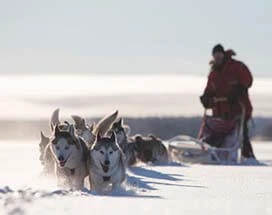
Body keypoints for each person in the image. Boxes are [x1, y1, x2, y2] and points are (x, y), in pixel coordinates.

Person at [200, 44, 256, 160]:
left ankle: (248, 158)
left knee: (241, 135)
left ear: (224, 54)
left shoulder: (237, 67)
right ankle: (213, 156)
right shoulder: (213, 73)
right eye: (215, 55)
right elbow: (209, 89)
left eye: (219, 54)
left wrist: (239, 90)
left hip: (238, 110)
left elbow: (248, 80)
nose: (217, 57)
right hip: (220, 112)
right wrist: (206, 98)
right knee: (216, 136)